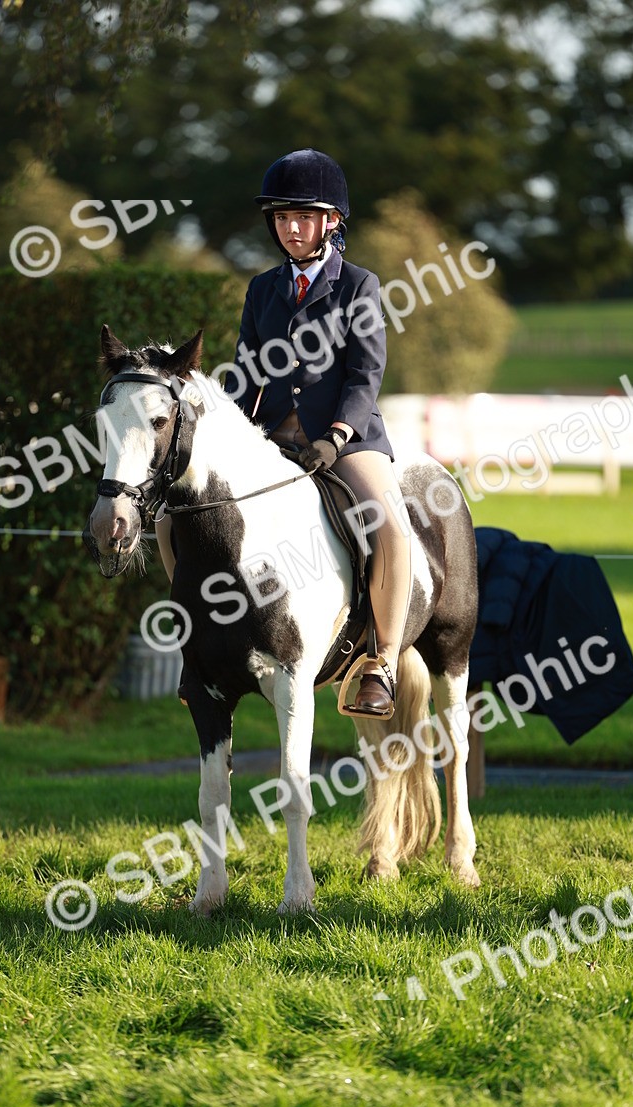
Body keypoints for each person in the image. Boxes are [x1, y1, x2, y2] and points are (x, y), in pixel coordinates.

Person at [232, 147, 412, 719]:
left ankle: (381, 660)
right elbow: (246, 372)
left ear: (331, 220)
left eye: (303, 217)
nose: (290, 228)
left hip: (346, 438)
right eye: (282, 218)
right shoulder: (262, 289)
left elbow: (366, 372)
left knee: (390, 523)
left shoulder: (359, 285)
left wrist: (336, 436)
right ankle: (210, 650)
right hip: (271, 438)